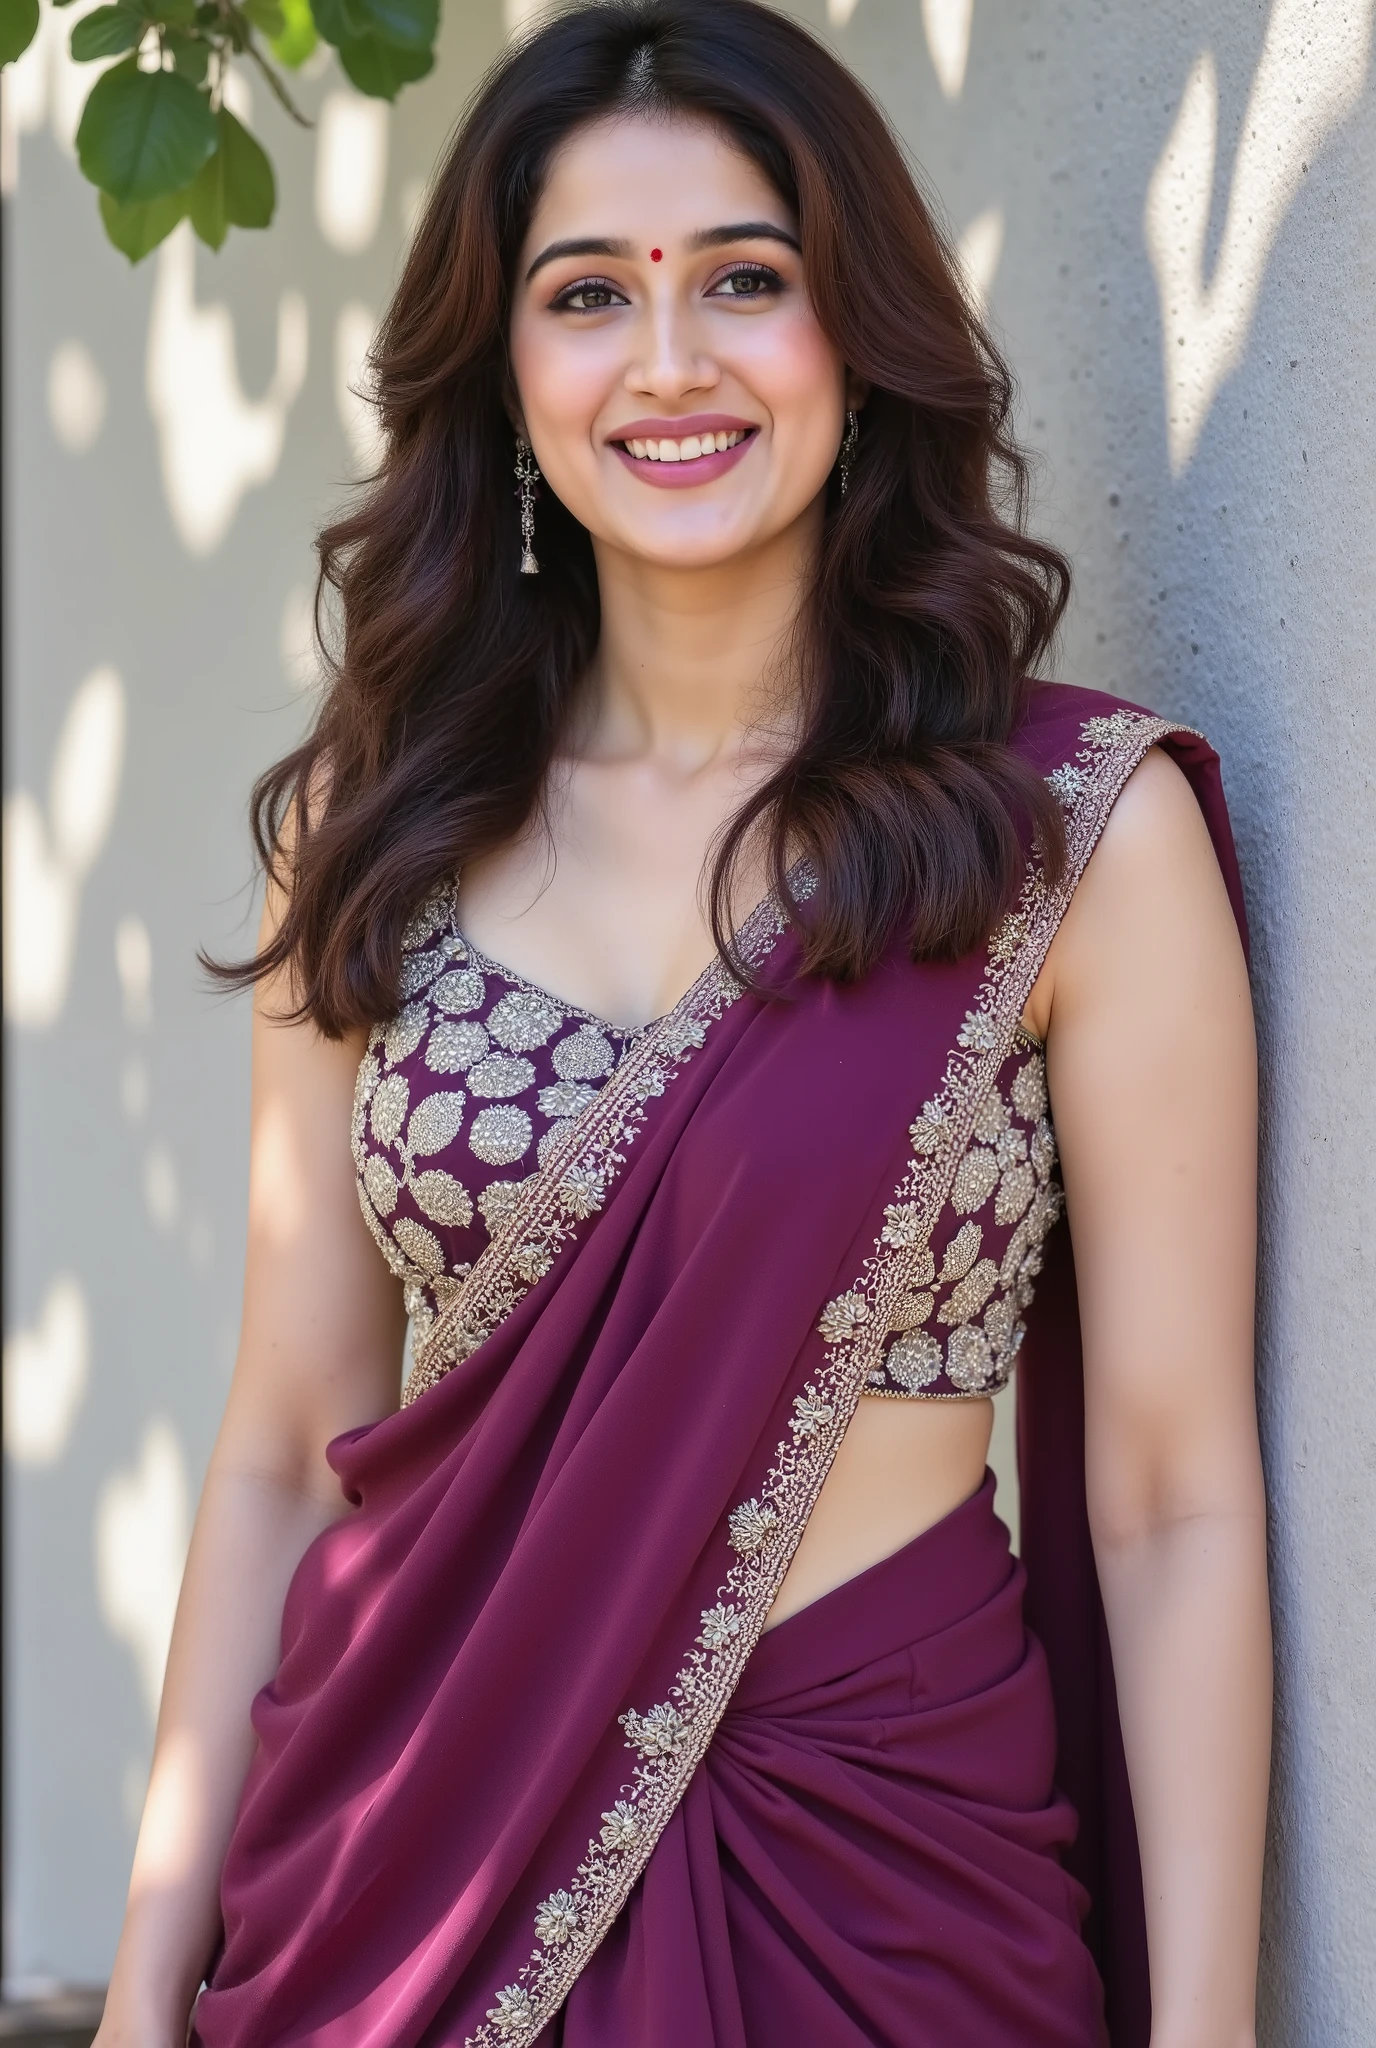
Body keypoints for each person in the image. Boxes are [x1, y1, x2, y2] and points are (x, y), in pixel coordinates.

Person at [93, 4, 1271, 2044]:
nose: (668, 360)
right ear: (503, 373)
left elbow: (1170, 1492)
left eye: (745, 278)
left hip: (890, 1875)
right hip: (409, 1857)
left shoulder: (1067, 840)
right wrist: (134, 1996)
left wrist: (1206, 2026)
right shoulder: (375, 842)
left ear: (858, 332)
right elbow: (287, 1444)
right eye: (586, 295)